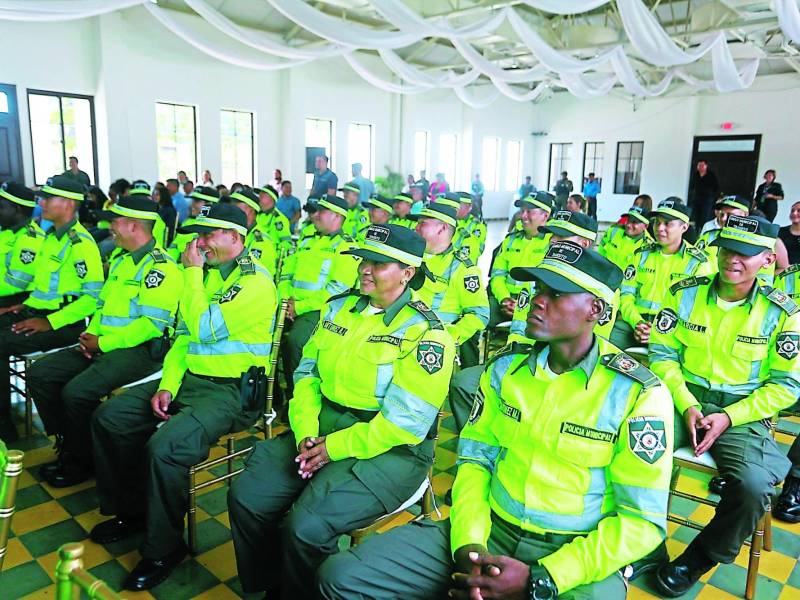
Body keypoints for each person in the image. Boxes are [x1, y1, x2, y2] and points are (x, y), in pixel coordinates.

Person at [317, 241, 673, 600]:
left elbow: (641, 521)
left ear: (594, 309)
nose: (536, 299)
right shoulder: (504, 371)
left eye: (556, 293)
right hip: (490, 527)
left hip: (573, 552)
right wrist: (470, 547)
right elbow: (475, 461)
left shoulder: (638, 394)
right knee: (341, 576)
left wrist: (543, 578)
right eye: (537, 289)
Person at [228, 224, 455, 599]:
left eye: (380, 263)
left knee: (306, 526)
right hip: (320, 424)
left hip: (391, 450)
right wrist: (305, 432)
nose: (365, 268)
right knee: (249, 495)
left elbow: (404, 425)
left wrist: (331, 448)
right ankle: (275, 584)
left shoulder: (426, 334)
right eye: (364, 259)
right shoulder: (338, 308)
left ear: (408, 273)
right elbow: (306, 375)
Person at [89, 204, 277, 591]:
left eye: (209, 235)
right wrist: (167, 386)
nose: (200, 243)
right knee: (111, 417)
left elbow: (205, 328)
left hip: (232, 391)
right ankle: (133, 511)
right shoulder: (205, 279)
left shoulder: (255, 282)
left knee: (166, 446)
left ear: (236, 238)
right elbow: (183, 341)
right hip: (191, 381)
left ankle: (164, 548)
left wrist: (191, 273)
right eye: (199, 235)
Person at [649, 214, 798, 596]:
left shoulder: (782, 313)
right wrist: (686, 404)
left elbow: (787, 385)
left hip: (743, 409)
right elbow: (662, 356)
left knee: (751, 487)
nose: (733, 258)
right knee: (632, 451)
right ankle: (642, 543)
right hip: (682, 396)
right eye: (728, 248)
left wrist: (729, 417)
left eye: (746, 253)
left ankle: (697, 559)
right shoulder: (684, 293)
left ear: (767, 260)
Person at [27, 196, 181, 487]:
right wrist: (89, 339)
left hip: (139, 352)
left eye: (115, 221)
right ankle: (73, 444)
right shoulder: (122, 262)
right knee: (42, 374)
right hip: (104, 344)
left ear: (134, 225)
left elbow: (150, 326)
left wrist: (104, 343)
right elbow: (102, 306)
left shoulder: (161, 269)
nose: (109, 227)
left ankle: (83, 460)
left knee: (76, 392)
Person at [450, 210, 605, 433]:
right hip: (526, 359)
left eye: (561, 238)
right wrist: (511, 360)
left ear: (585, 243)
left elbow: (591, 347)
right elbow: (519, 327)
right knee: (464, 384)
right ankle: (481, 444)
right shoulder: (541, 272)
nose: (552, 241)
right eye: (551, 235)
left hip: (568, 372)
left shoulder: (597, 289)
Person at [0, 175, 103, 439]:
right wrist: (22, 306)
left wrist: (50, 322)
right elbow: (47, 289)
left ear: (68, 203)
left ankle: (4, 423)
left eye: (48, 197)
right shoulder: (51, 238)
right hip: (38, 312)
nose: (41, 202)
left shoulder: (81, 244)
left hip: (66, 324)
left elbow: (93, 298)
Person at [278, 195, 359, 397]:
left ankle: (298, 399)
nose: (315, 215)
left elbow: (337, 291)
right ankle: (266, 395)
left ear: (337, 217)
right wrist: (285, 300)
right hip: (289, 305)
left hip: (319, 310)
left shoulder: (346, 247)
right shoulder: (306, 238)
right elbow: (287, 273)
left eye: (322, 211)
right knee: (261, 330)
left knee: (296, 342)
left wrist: (300, 307)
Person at [614, 197, 711, 349]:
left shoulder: (698, 263)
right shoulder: (640, 254)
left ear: (684, 227)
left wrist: (660, 329)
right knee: (603, 345)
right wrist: (637, 322)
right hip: (633, 324)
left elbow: (695, 310)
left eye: (667, 224)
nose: (659, 228)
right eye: (657, 222)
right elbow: (626, 294)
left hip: (673, 330)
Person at [411, 201, 489, 368]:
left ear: (442, 228)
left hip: (432, 345)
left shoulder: (463, 268)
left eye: (422, 223)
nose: (415, 227)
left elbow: (480, 313)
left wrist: (449, 337)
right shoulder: (408, 258)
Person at [489, 191, 553, 325]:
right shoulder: (510, 240)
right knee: (479, 314)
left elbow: (551, 286)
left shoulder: (553, 243)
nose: (523, 216)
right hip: (505, 301)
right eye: (522, 210)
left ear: (545, 216)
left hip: (536, 305)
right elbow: (498, 275)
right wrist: (504, 299)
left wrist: (524, 304)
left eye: (530, 211)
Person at [0, 182, 45, 308]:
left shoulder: (30, 240)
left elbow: (16, 284)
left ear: (17, 210)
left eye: (1, 207)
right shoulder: (7, 232)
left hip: (16, 302)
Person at [229, 188, 278, 274]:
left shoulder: (261, 242)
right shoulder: (235, 233)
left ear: (251, 210)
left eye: (238, 210)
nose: (233, 215)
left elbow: (250, 274)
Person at [166, 185, 220, 261]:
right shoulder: (188, 222)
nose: (192, 205)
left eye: (197, 201)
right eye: (193, 201)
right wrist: (168, 262)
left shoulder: (216, 226)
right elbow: (174, 247)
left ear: (210, 204)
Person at [598, 206, 653, 271]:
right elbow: (600, 253)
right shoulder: (613, 231)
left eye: (634, 222)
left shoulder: (648, 247)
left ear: (645, 226)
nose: (629, 225)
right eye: (629, 220)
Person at [256, 183, 292, 251]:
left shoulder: (279, 219)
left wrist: (271, 249)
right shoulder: (257, 215)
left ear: (271, 199)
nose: (259, 199)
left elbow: (287, 244)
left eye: (262, 196)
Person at [688, 160, 720, 228]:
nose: (701, 167)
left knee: (705, 217)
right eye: (699, 165)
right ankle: (696, 232)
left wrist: (713, 196)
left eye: (702, 165)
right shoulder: (695, 174)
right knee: (696, 217)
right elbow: (692, 186)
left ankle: (703, 230)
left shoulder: (710, 175)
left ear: (706, 166)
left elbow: (716, 187)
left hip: (707, 199)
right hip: (696, 199)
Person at [779, 200, 800, 265]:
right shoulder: (780, 231)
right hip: (782, 271)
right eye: (792, 211)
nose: (794, 213)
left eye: (799, 211)